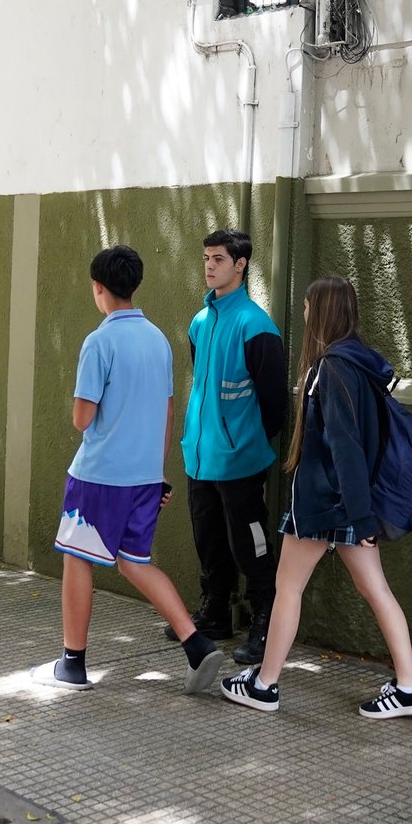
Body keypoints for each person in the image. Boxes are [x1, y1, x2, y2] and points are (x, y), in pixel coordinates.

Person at [220, 276, 412, 719]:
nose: (302, 313)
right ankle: (409, 687)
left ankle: (264, 684)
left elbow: (344, 445)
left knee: (288, 588)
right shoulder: (360, 363)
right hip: (349, 507)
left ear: (318, 313)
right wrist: (362, 515)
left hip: (324, 506)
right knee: (374, 589)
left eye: (306, 306)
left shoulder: (332, 368)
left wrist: (359, 515)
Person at [32, 245, 225, 696]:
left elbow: (82, 417)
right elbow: (168, 411)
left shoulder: (98, 341)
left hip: (99, 475)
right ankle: (196, 643)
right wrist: (157, 476)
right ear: (134, 284)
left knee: (78, 559)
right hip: (144, 476)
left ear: (99, 288)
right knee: (135, 561)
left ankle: (73, 664)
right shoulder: (158, 339)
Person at [173, 228, 289, 666]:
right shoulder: (200, 323)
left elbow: (274, 403)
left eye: (218, 259)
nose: (208, 265)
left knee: (251, 544)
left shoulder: (256, 325)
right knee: (209, 540)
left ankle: (265, 620)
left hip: (240, 460)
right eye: (206, 257)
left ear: (240, 264)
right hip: (200, 458)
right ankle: (215, 612)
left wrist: (246, 442)